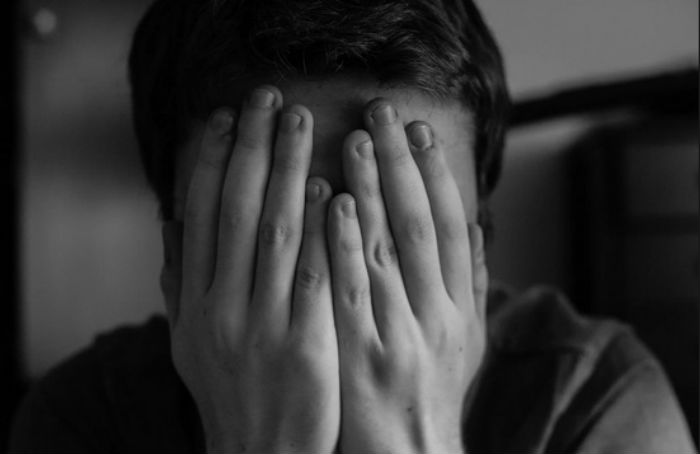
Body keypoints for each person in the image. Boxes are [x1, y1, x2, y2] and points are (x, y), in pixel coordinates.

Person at [9, 0, 696, 452]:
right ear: (176, 259)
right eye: (273, 228)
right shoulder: (84, 419)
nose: (340, 278)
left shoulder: (593, 403)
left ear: (478, 250)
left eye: (403, 225)